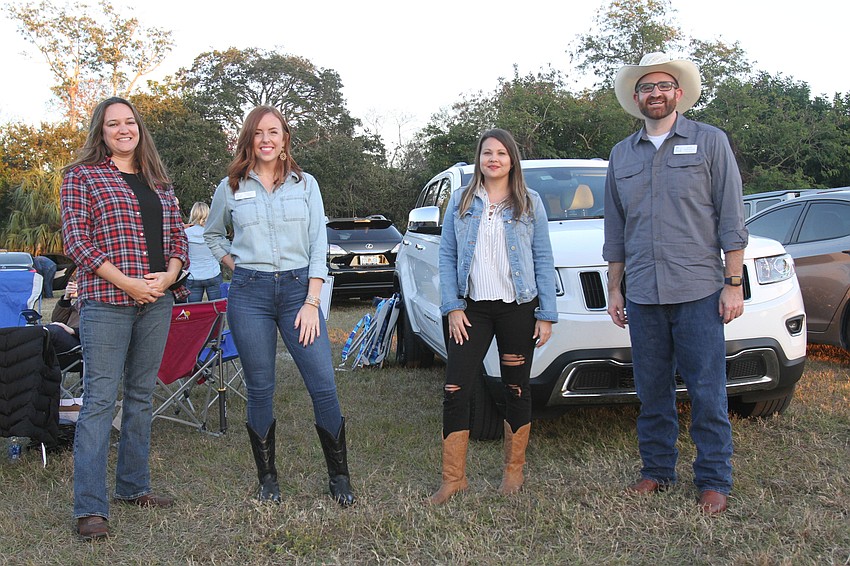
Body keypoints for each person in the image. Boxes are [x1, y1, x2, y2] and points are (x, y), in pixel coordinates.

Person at [602, 53, 748, 515]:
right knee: (651, 392)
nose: (656, 94)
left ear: (678, 93)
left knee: (708, 390)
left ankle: (713, 479)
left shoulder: (709, 142)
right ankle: (657, 471)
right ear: (637, 97)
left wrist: (733, 283)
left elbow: (731, 217)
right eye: (647, 88)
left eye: (664, 86)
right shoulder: (622, 155)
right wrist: (615, 288)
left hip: (700, 290)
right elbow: (615, 230)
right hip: (643, 293)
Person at [205, 105, 354, 507]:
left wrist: (312, 299)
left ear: (286, 138)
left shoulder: (307, 185)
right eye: (258, 133)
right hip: (249, 295)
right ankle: (267, 480)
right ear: (249, 140)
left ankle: (339, 477)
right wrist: (235, 265)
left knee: (322, 382)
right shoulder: (231, 187)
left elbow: (319, 245)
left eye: (274, 132)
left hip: (297, 291)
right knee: (260, 388)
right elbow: (213, 234)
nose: (267, 139)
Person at [61, 96, 189, 540]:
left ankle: (134, 486)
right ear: (101, 131)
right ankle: (90, 507)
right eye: (113, 124)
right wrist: (129, 283)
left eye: (129, 122)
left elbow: (178, 239)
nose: (122, 129)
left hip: (158, 301)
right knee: (100, 401)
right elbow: (77, 241)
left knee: (140, 396)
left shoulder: (158, 180)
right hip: (107, 303)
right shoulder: (81, 176)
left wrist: (169, 278)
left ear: (139, 129)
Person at [428, 128, 557, 505]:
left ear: (512, 160)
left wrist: (545, 313)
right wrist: (452, 305)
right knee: (455, 390)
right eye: (487, 153)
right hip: (471, 310)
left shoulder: (529, 202)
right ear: (479, 159)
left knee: (516, 388)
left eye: (502, 153)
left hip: (518, 307)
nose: (494, 159)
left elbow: (544, 259)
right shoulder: (461, 200)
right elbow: (448, 255)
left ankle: (512, 473)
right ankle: (454, 479)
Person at [183, 202, 222, 302]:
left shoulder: (185, 233)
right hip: (213, 273)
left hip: (193, 275)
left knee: (193, 312)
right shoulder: (214, 232)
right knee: (217, 309)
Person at [45, 275, 81, 354]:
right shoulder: (78, 303)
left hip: (81, 342)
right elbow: (57, 320)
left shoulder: (99, 303)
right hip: (67, 337)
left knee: (53, 332)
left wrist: (73, 331)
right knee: (40, 331)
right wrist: (66, 299)